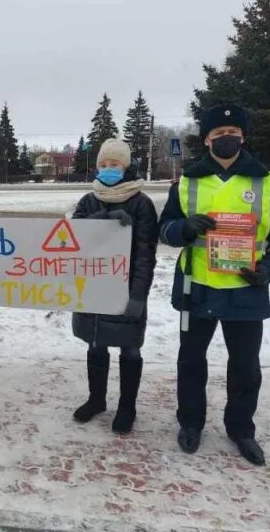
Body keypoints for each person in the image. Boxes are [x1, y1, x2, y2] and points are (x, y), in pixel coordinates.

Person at [159, 104, 270, 466]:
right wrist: (183, 228)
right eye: (218, 133)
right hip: (197, 289)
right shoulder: (187, 183)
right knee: (191, 362)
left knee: (245, 366)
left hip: (246, 289)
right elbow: (165, 230)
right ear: (207, 139)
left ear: (243, 137)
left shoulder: (267, 184)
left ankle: (241, 430)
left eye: (233, 133)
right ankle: (191, 423)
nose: (227, 139)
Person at [70, 139, 158, 433]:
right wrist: (101, 220)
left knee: (130, 350)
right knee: (96, 344)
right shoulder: (89, 200)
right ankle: (96, 399)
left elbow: (146, 254)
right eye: (104, 165)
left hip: (127, 288)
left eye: (115, 164)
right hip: (94, 286)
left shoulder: (141, 203)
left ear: (126, 166)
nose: (108, 169)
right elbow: (75, 237)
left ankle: (127, 407)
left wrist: (138, 295)